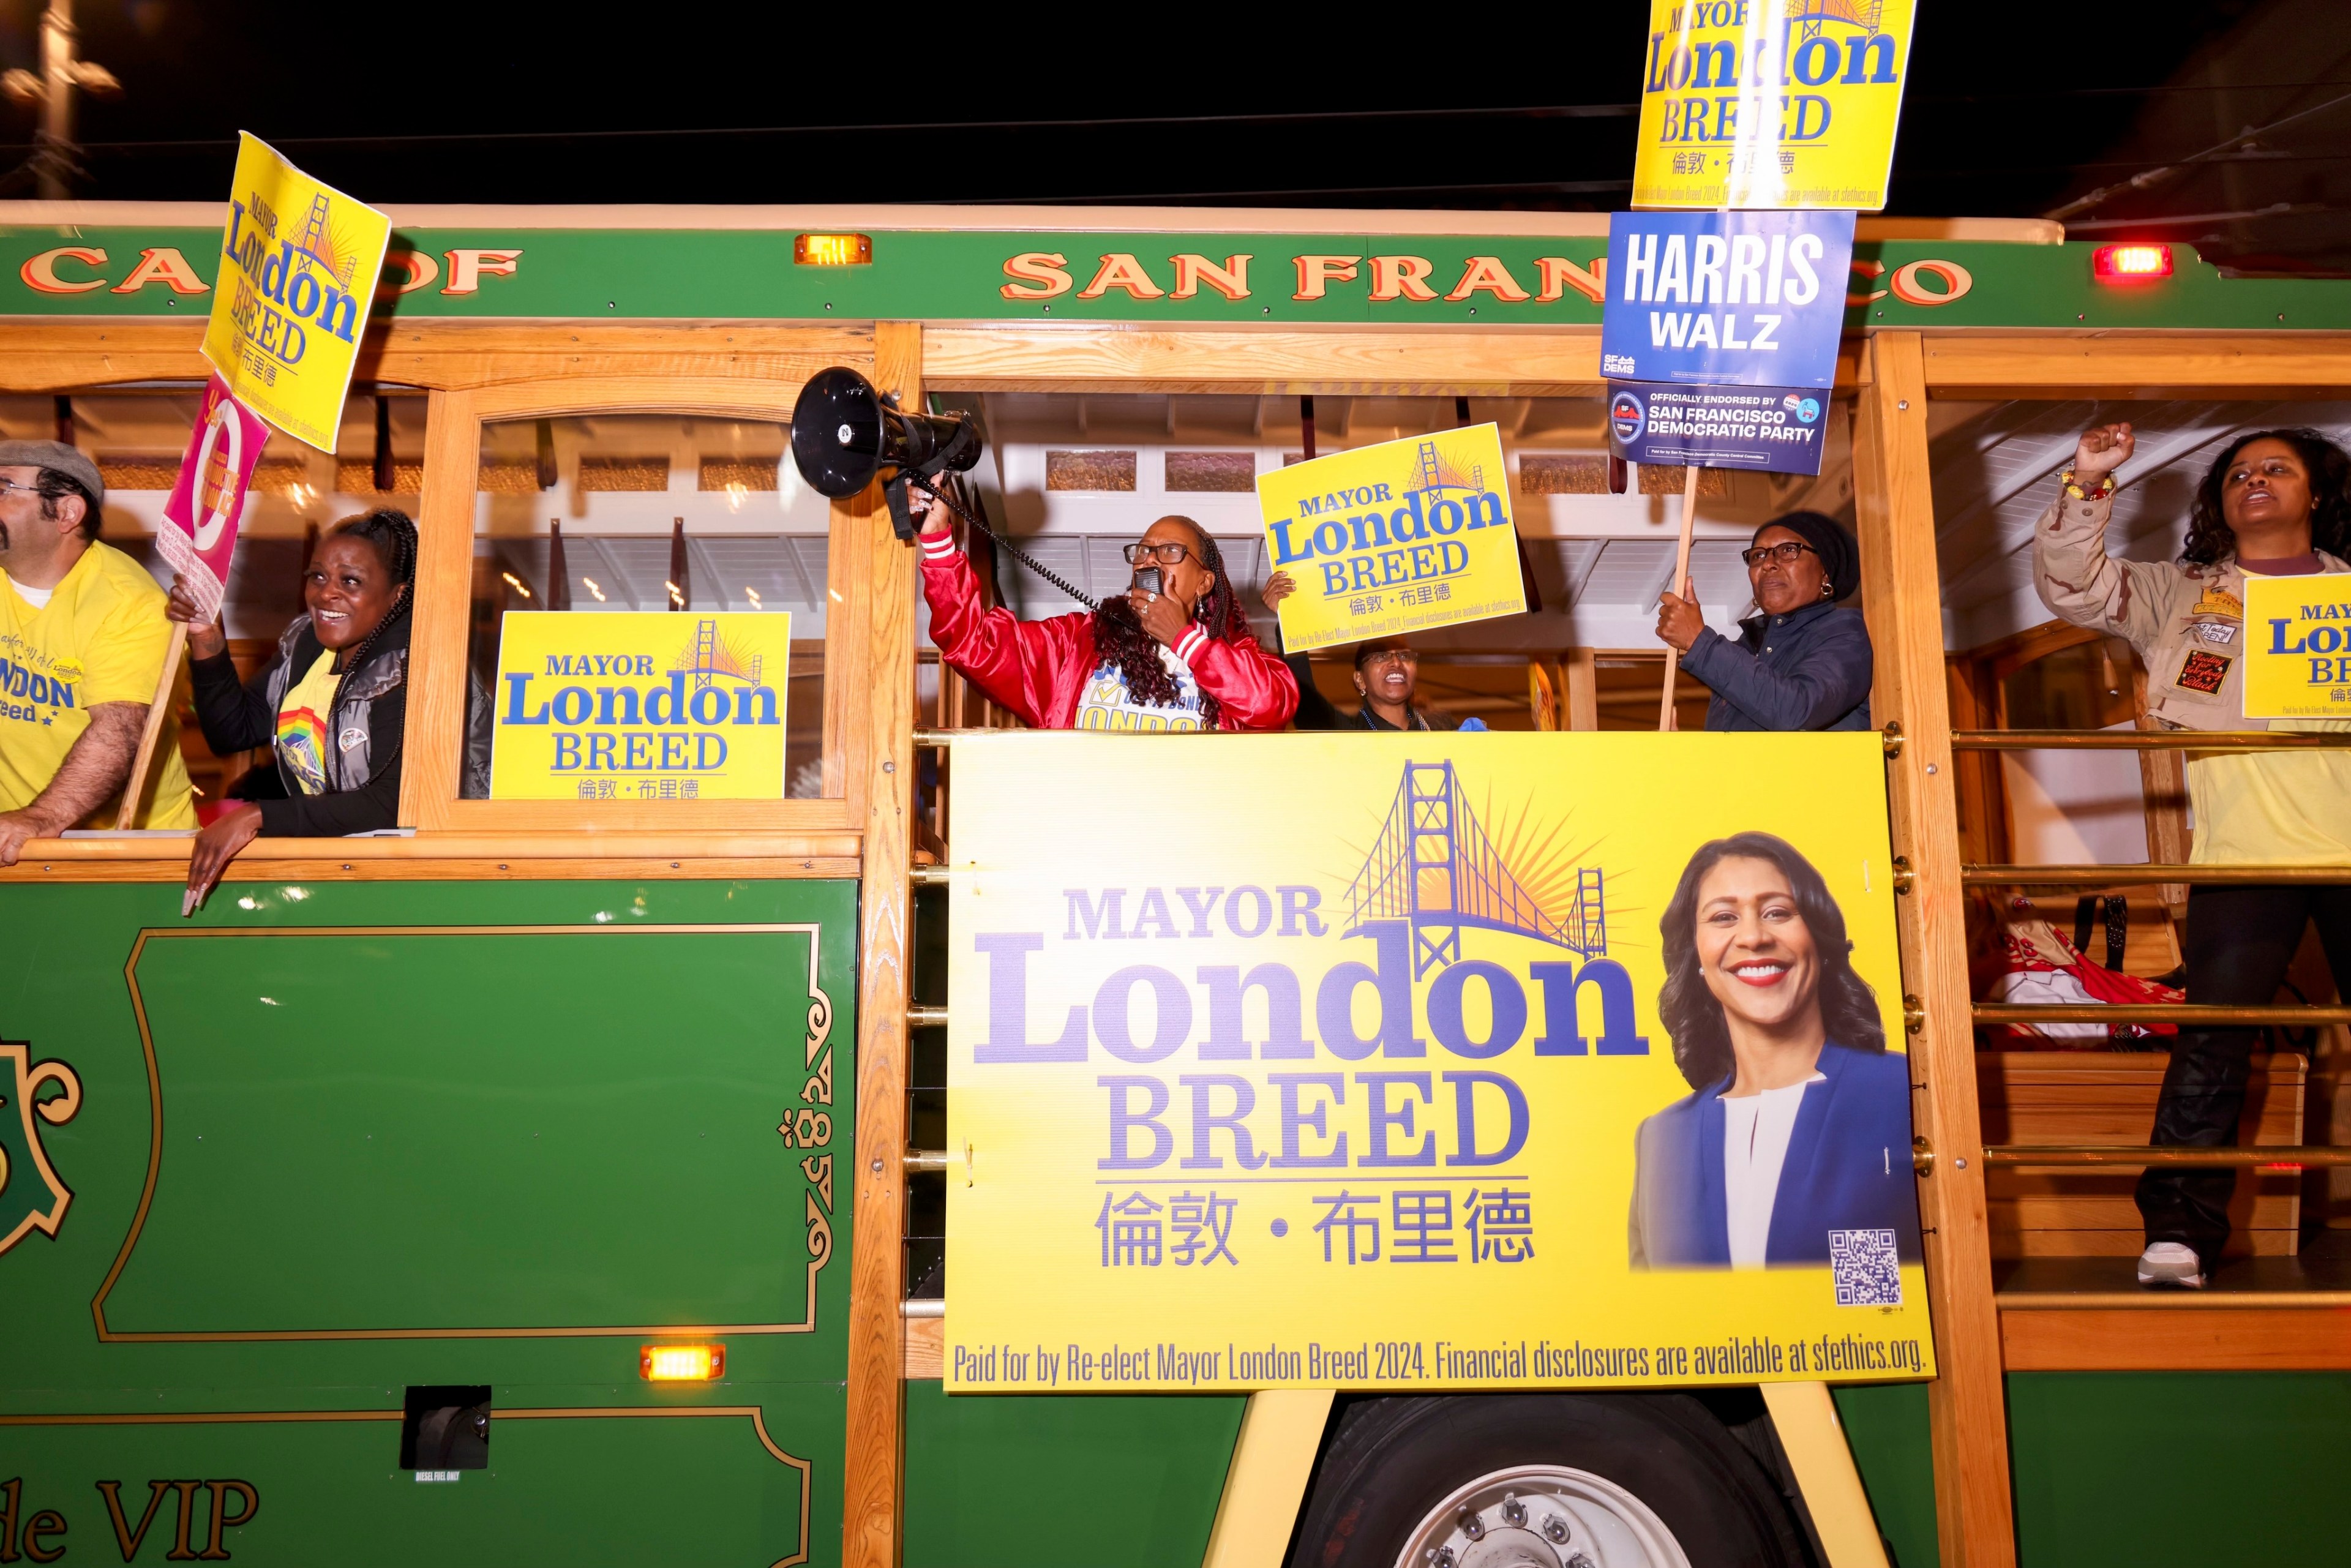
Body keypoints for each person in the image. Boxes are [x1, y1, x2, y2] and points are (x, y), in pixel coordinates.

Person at [2036, 422, 2351, 1289]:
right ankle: (2179, 1232)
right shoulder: (2181, 596)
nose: (2255, 480)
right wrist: (2088, 481)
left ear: (2316, 493)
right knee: (2213, 1041)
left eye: (2277, 469)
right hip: (2247, 857)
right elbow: (2073, 586)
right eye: (2238, 473)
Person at [166, 508, 492, 909]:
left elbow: (396, 802)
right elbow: (232, 729)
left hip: (426, 883)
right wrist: (205, 635)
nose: (325, 593)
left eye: (350, 581)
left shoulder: (419, 667)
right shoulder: (306, 643)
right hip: (340, 872)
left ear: (398, 595)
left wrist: (259, 815)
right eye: (317, 576)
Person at [1629, 831, 1921, 1270]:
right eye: (1724, 917)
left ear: (1819, 940)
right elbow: (1653, 1319)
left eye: (1778, 911)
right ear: (1697, 957)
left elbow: (1899, 1300)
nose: (1753, 936)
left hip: (1854, 1343)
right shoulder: (1661, 1137)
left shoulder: (1904, 1092)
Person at [910, 489, 1295, 732]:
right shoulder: (1078, 642)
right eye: (1143, 550)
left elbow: (1271, 704)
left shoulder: (1238, 659)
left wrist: (1184, 640)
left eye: (1171, 552)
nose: (1151, 561)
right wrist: (938, 541)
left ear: (1204, 583)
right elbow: (973, 642)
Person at [0, 439, 195, 863]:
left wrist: (42, 815)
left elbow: (119, 731)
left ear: (67, 513)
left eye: (3, 488)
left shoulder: (130, 603)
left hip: (128, 852)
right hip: (14, 837)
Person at [1653, 511, 1873, 731]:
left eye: (1788, 550)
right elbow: (1739, 758)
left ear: (1825, 573)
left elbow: (1797, 710)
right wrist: (1681, 754)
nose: (1768, 564)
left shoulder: (1845, 630)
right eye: (1758, 556)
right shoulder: (1745, 649)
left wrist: (1700, 642)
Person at [1258, 571, 1480, 731]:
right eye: (1381, 656)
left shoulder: (1443, 729)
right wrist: (1289, 618)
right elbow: (1304, 695)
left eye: (1404, 656)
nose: (1396, 663)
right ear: (1360, 679)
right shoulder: (1343, 734)